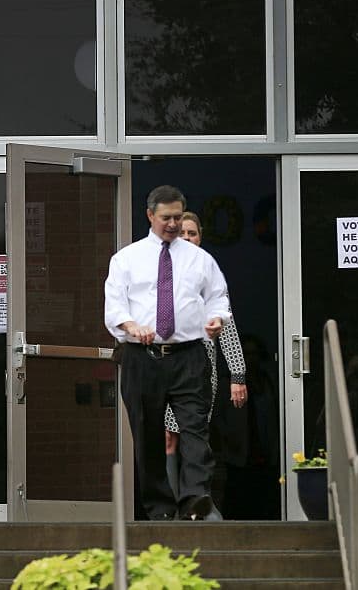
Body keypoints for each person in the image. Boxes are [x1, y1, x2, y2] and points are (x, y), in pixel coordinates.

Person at [104, 186, 230, 521]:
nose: (173, 224)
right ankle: (159, 509)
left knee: (194, 429)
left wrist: (217, 319)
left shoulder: (200, 260)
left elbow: (218, 297)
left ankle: (195, 500)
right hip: (141, 357)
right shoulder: (126, 259)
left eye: (177, 217)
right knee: (147, 435)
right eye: (166, 218)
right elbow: (114, 308)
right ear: (150, 216)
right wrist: (131, 326)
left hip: (189, 355)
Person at [162, 211, 247, 513]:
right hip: (164, 369)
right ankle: (171, 511)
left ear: (200, 237)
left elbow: (228, 327)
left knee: (196, 438)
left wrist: (237, 375)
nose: (187, 238)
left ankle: (198, 506)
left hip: (200, 372)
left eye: (192, 233)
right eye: (181, 233)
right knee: (169, 438)